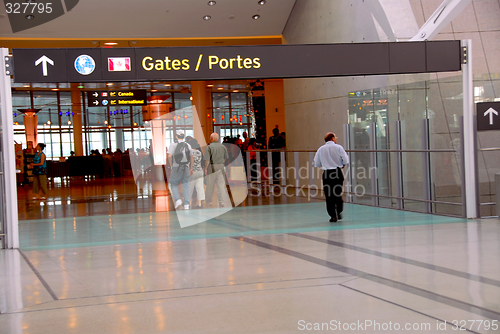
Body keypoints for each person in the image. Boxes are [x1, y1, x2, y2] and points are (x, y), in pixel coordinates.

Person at [313, 132, 349, 223]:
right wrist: (342, 164)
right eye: (335, 137)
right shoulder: (339, 147)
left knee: (329, 195)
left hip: (327, 174)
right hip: (337, 172)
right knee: (337, 193)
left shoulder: (321, 149)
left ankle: (333, 216)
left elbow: (316, 163)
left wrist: (325, 163)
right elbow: (346, 160)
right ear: (332, 138)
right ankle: (339, 210)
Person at [168, 129, 193, 210]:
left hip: (176, 167)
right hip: (186, 167)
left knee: (173, 183)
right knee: (186, 184)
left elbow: (169, 156)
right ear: (183, 136)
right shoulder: (188, 145)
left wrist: (171, 165)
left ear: (176, 135)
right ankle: (186, 204)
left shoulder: (173, 144)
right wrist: (191, 167)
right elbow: (191, 156)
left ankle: (178, 199)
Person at [204, 133, 229, 207]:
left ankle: (209, 201)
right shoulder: (223, 147)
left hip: (212, 166)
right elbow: (226, 157)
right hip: (221, 166)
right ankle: (221, 201)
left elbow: (207, 159)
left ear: (211, 139)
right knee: (221, 185)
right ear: (217, 139)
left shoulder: (209, 147)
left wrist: (205, 168)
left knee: (210, 185)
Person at [186, 138, 205, 208]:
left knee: (190, 187)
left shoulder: (189, 152)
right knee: (200, 187)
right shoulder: (199, 152)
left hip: (191, 172)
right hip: (199, 171)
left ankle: (188, 203)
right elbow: (201, 161)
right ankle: (199, 203)